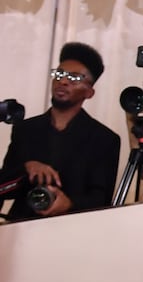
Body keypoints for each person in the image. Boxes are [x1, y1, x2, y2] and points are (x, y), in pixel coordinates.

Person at [0, 42, 121, 221]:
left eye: (74, 77)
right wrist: (26, 168)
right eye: (59, 74)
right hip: (20, 227)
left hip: (71, 231)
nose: (63, 81)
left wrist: (69, 204)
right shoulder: (25, 129)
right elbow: (3, 187)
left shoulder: (104, 139)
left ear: (89, 92)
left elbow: (101, 199)